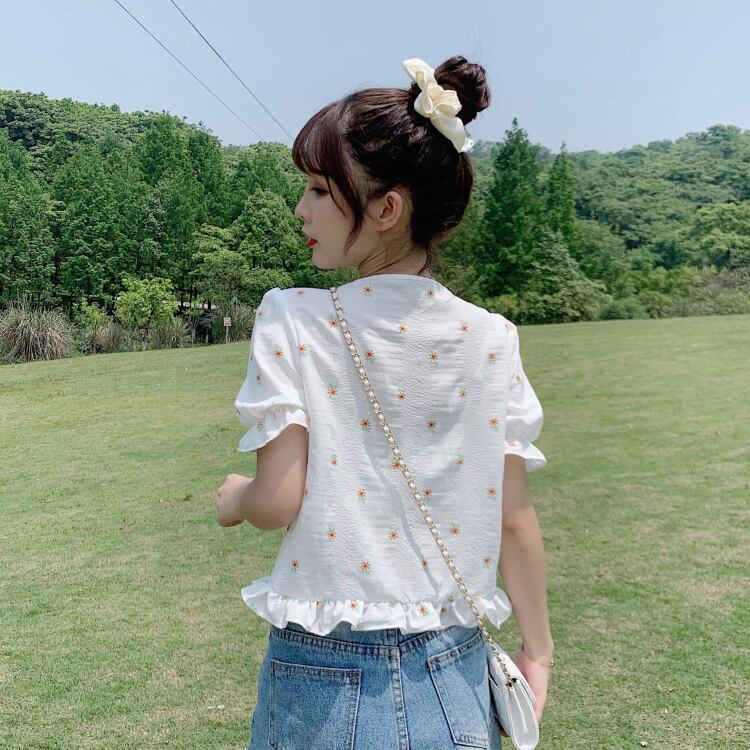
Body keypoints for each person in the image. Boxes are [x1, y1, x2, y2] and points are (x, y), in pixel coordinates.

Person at [216, 54, 555, 750]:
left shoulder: (294, 318)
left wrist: (235, 497)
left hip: (322, 682)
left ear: (387, 209)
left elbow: (277, 499)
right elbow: (514, 518)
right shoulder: (493, 339)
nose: (301, 208)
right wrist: (539, 652)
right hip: (457, 678)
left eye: (318, 188)